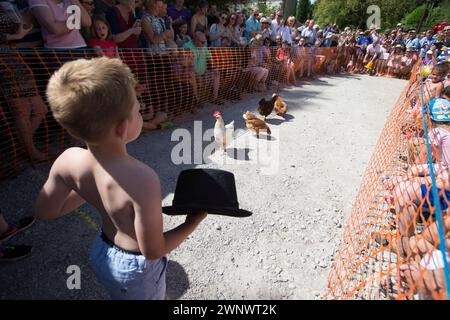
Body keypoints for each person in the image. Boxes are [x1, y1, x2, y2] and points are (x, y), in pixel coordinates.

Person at [37, 57, 207, 299]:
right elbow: (154, 250)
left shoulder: (69, 159)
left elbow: (46, 211)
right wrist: (193, 222)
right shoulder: (142, 179)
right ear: (122, 128)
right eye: (138, 110)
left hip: (102, 252)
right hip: (134, 271)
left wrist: (89, 190)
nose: (141, 112)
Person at [182, 31, 223, 105]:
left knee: (217, 73)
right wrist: (195, 73)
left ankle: (215, 98)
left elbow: (210, 59)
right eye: (202, 42)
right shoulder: (187, 47)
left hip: (203, 72)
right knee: (195, 77)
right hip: (191, 73)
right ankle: (196, 100)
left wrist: (214, 68)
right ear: (195, 40)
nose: (204, 44)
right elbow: (184, 64)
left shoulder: (203, 47)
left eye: (205, 42)